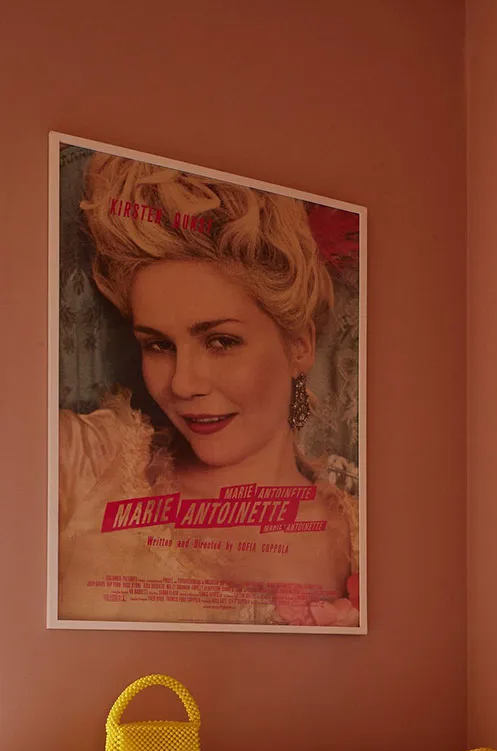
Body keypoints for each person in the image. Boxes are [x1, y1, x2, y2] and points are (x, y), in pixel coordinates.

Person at [57, 152, 359, 627]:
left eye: (221, 341)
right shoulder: (86, 463)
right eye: (158, 345)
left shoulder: (362, 536)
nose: (183, 383)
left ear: (299, 346)